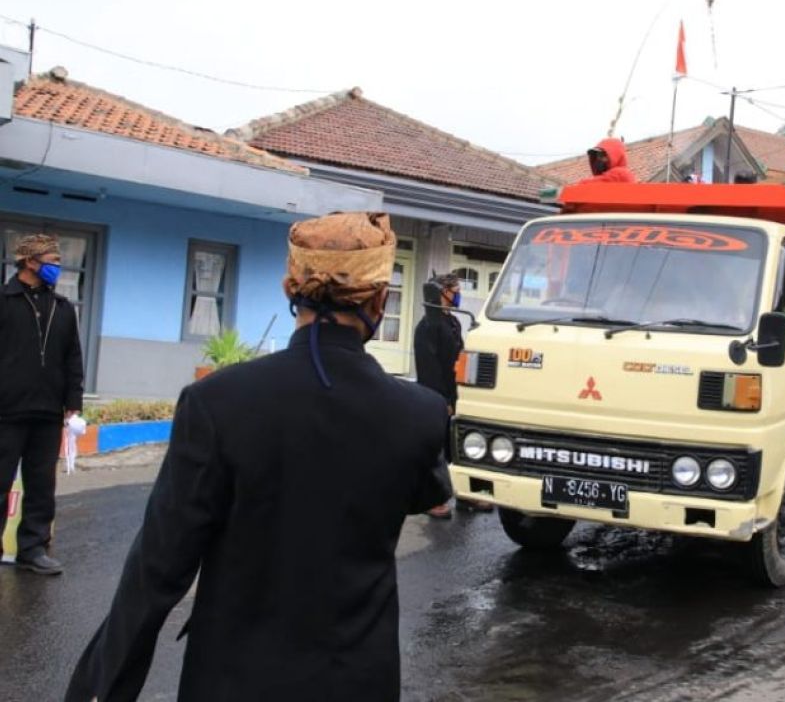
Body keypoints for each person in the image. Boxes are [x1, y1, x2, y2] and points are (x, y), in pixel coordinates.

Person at [66, 212, 452, 702]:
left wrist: (101, 688)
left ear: (291, 288)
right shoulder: (420, 412)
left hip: (232, 676)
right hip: (357, 678)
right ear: (379, 299)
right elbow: (428, 493)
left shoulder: (217, 401)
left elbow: (159, 565)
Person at [0, 234, 83, 576]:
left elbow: (73, 358)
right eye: (51, 261)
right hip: (5, 411)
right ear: (30, 262)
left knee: (41, 484)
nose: (57, 268)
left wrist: (73, 402)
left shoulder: (62, 308)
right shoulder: (4, 302)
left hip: (48, 412)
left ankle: (32, 549)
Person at [414, 273, 491, 517]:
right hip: (437, 396)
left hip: (458, 394)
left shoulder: (453, 322)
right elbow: (429, 367)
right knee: (435, 449)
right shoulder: (428, 327)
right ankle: (431, 500)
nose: (458, 294)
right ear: (442, 293)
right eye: (455, 290)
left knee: (459, 446)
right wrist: (442, 400)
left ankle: (466, 496)